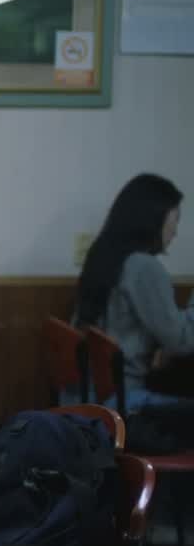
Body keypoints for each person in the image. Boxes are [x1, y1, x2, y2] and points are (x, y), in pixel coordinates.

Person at [70, 173, 194, 448]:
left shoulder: (102, 256)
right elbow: (182, 340)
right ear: (154, 219)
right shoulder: (143, 267)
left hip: (90, 397)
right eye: (174, 220)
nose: (175, 232)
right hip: (125, 403)